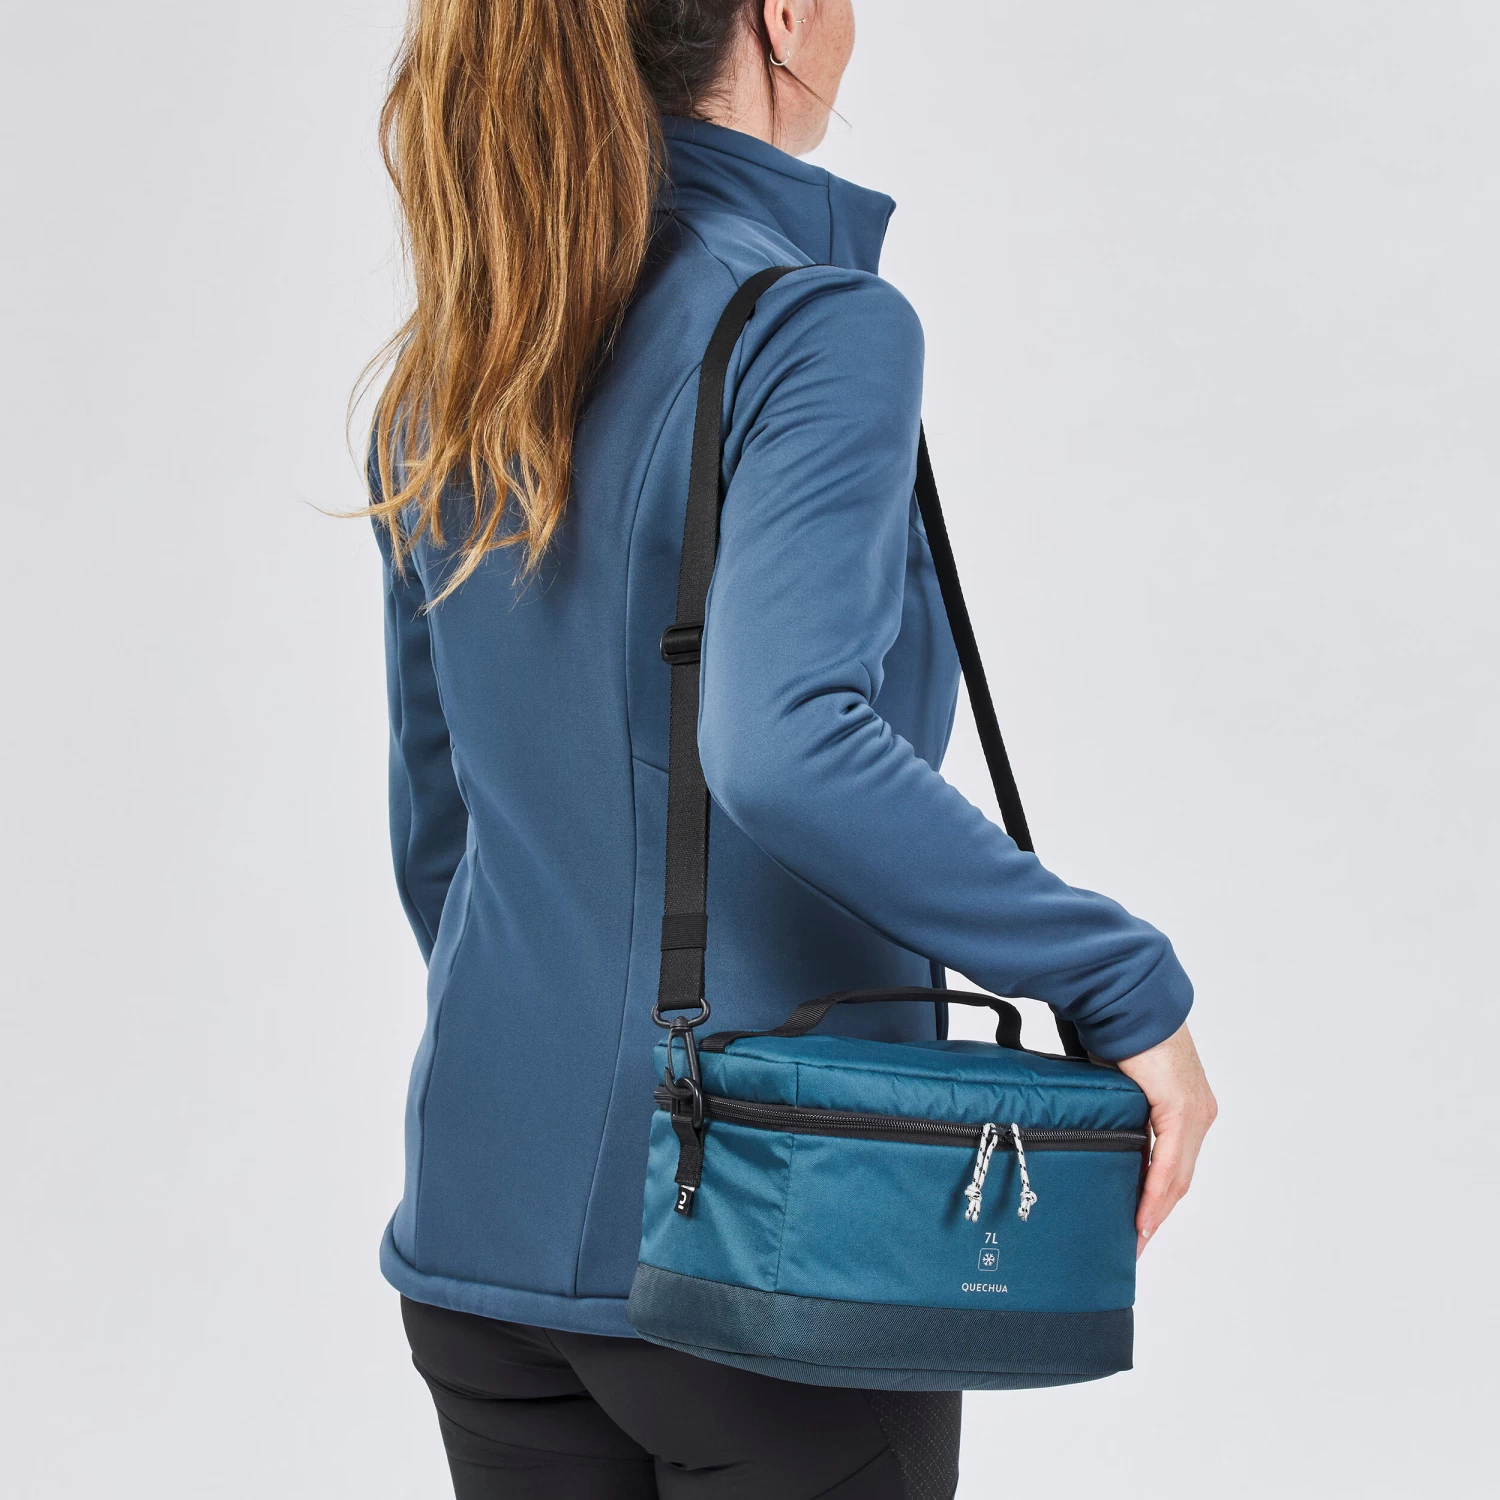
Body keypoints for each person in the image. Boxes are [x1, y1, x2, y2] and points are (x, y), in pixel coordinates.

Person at [362, 3, 1217, 1496]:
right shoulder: (809, 324)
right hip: (770, 1231)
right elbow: (786, 743)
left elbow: (443, 829)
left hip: (481, 1233)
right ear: (782, 13)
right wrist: (1116, 976)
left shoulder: (464, 354)